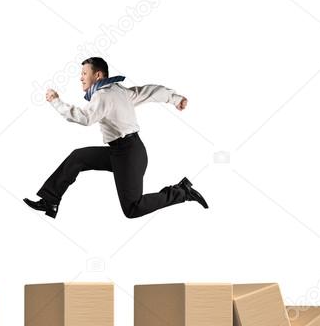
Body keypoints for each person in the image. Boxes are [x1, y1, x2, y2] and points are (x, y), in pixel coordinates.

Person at [23, 56, 208, 219]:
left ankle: (182, 192)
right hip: (123, 151)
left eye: (84, 73)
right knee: (78, 157)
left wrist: (56, 100)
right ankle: (50, 201)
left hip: (128, 155)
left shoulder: (102, 95)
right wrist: (175, 98)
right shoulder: (120, 91)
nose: (81, 77)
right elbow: (149, 91)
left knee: (132, 209)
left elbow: (85, 118)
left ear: (98, 75)